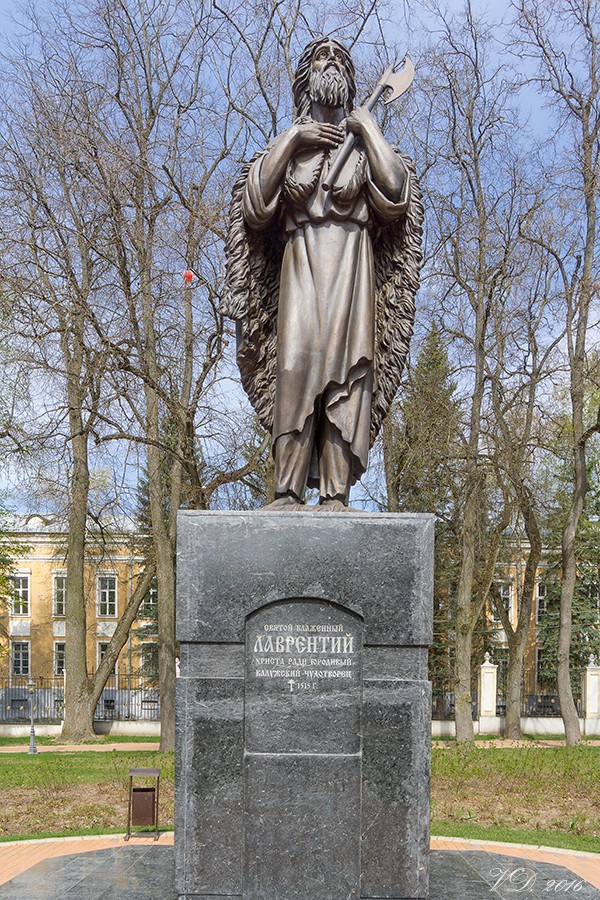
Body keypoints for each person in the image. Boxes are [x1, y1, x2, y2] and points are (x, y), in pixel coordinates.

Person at [224, 36, 423, 510]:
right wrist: (295, 138)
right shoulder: (290, 148)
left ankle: (336, 493)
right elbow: (255, 205)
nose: (331, 61)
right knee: (293, 368)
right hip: (300, 268)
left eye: (340, 58)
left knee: (348, 376)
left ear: (351, 82)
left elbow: (396, 195)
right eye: (321, 56)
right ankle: (287, 490)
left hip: (353, 271)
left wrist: (368, 128)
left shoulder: (364, 147)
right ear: (306, 77)